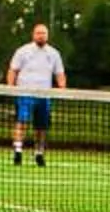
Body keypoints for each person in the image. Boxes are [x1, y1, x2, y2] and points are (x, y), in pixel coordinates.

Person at [5, 22, 65, 165]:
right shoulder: (23, 51)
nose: (41, 36)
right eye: (38, 33)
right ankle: (18, 151)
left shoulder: (54, 54)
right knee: (22, 121)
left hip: (44, 95)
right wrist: (10, 87)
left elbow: (60, 74)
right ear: (33, 35)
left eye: (44, 33)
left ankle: (39, 153)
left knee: (41, 127)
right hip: (25, 93)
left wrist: (62, 88)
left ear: (47, 36)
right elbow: (13, 70)